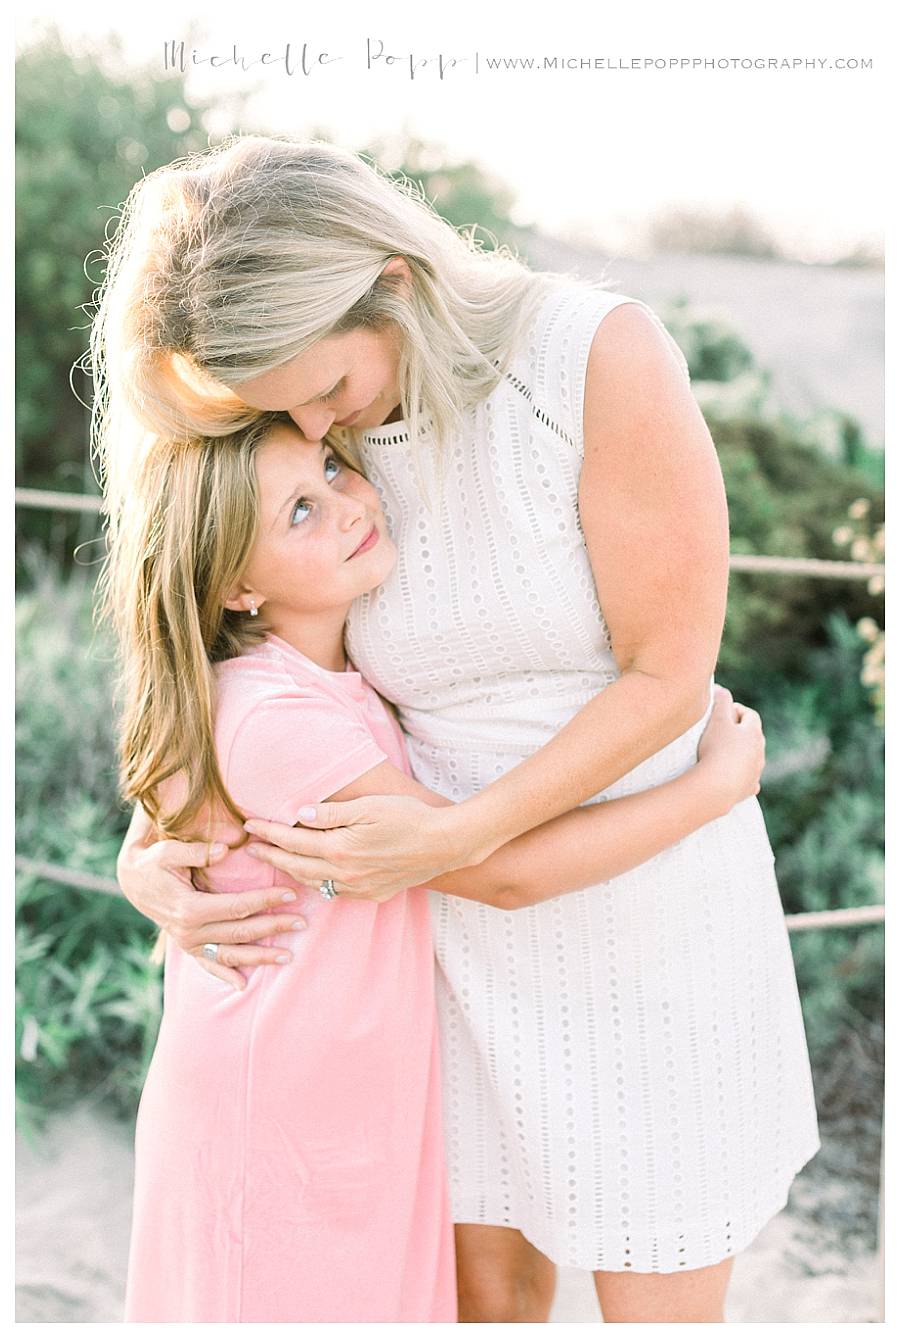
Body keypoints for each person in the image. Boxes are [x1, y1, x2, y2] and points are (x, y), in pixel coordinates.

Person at [93, 135, 819, 1323]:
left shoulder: (592, 357)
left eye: (326, 392)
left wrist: (461, 834)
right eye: (291, 410)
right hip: (442, 954)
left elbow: (666, 675)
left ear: (387, 274)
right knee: (486, 1304)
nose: (326, 431)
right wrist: (165, 840)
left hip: (642, 914)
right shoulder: (307, 421)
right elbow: (227, 630)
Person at [110, 413, 764, 1322]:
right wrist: (713, 790)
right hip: (280, 1104)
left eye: (333, 471)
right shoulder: (274, 716)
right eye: (300, 512)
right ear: (236, 587)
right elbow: (498, 874)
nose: (345, 505)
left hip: (350, 1093)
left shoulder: (331, 679)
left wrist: (133, 857)